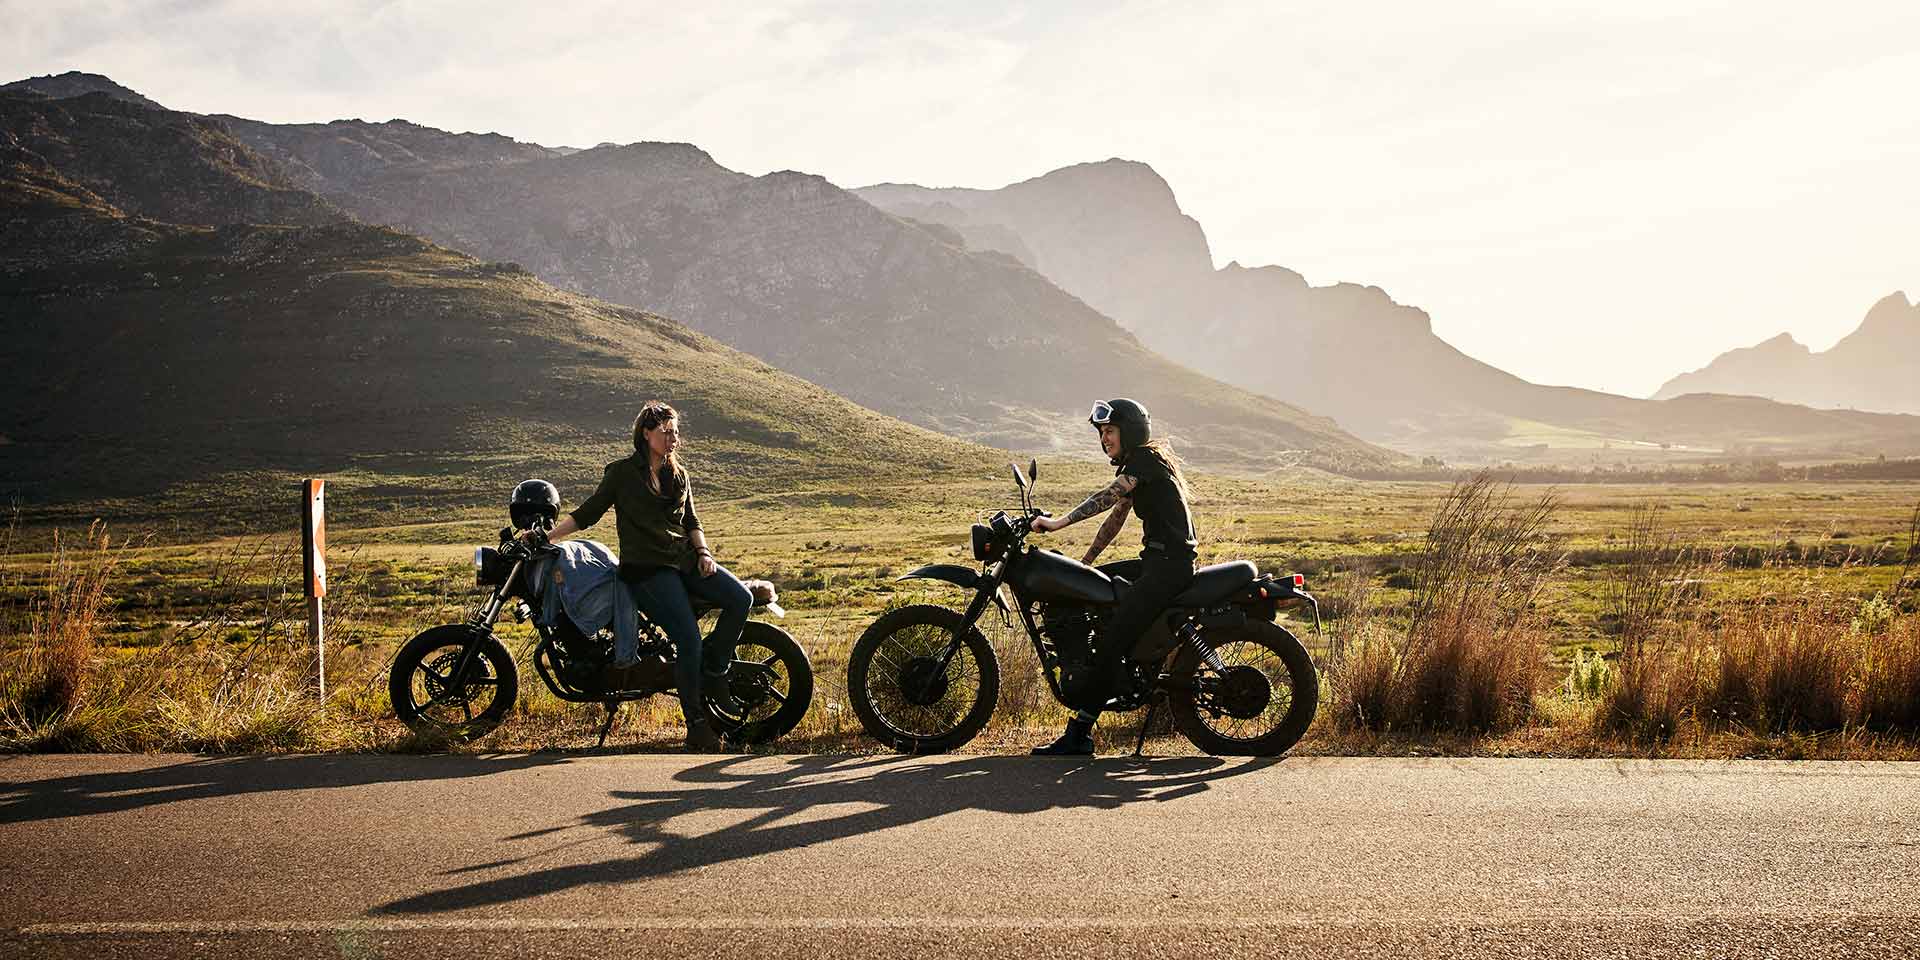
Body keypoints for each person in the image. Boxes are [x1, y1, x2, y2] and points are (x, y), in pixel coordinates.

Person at [539, 401, 752, 751]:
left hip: (684, 561)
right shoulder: (622, 473)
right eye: (667, 432)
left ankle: (714, 674)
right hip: (647, 571)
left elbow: (692, 522)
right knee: (688, 640)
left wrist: (704, 553)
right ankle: (697, 727)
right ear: (646, 433)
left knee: (741, 598)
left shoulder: (679, 475)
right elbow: (589, 513)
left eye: (676, 432)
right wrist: (548, 537)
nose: (674, 439)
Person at [1028, 398, 1196, 756]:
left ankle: (1080, 734)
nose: (1104, 438)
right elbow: (1116, 518)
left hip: (1168, 568)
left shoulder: (1144, 462)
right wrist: (1086, 563)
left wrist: (1057, 523)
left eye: (1110, 431)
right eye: (1102, 433)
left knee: (1112, 643)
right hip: (1157, 562)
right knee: (1089, 593)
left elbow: (1107, 498)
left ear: (1129, 432)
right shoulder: (1143, 465)